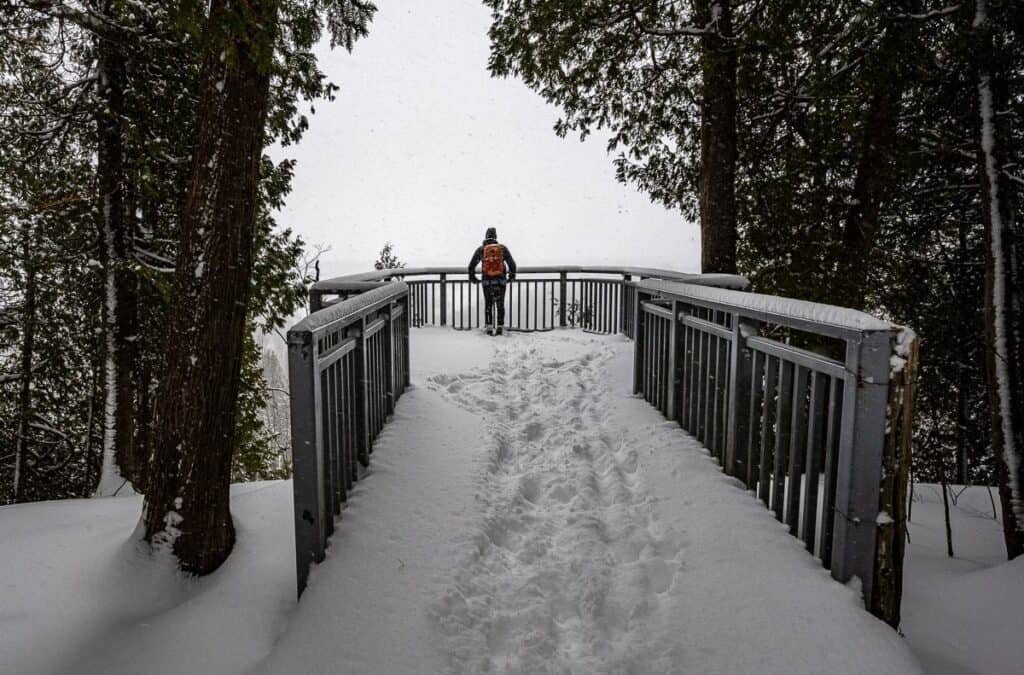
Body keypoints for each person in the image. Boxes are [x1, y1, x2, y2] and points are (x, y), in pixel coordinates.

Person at [468, 227, 517, 335]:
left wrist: (473, 278)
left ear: (486, 236)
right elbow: (512, 264)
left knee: (488, 304)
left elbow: (471, 266)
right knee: (500, 304)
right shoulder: (502, 248)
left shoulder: (481, 249)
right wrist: (511, 276)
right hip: (501, 282)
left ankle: (489, 328)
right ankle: (500, 327)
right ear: (495, 237)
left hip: (487, 283)